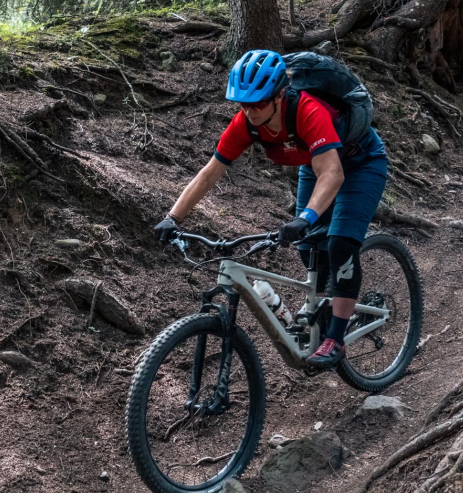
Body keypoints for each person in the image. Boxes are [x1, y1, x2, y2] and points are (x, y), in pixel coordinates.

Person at [153, 49, 389, 369]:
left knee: (340, 243)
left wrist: (305, 217)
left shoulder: (307, 110)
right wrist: (172, 217)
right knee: (309, 247)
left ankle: (335, 337)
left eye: (258, 103)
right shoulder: (246, 123)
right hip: (315, 164)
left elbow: (333, 174)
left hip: (361, 163)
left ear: (279, 95)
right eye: (243, 104)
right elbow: (209, 173)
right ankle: (323, 309)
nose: (250, 111)